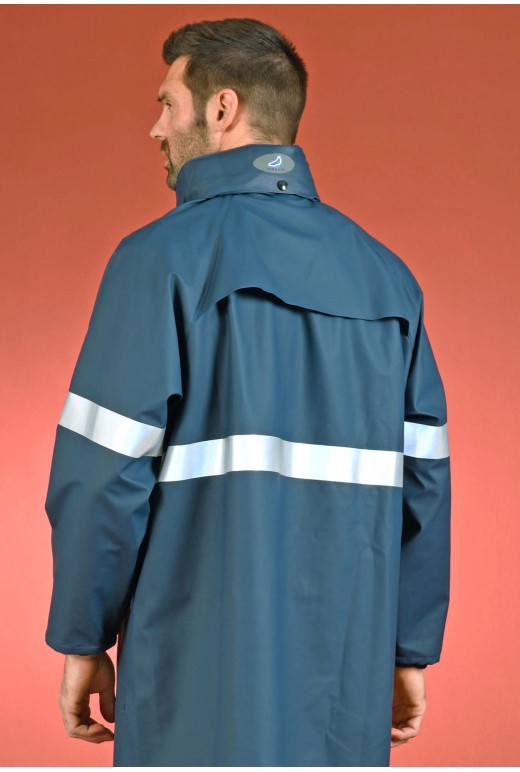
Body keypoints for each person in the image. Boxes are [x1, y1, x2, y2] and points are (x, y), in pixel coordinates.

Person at [44, 17, 451, 767]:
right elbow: (423, 483)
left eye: (167, 104)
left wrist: (82, 638)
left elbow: (101, 478)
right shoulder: (389, 280)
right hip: (345, 687)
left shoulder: (156, 262)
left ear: (222, 108)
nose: (155, 128)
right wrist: (407, 651)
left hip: (190, 686)